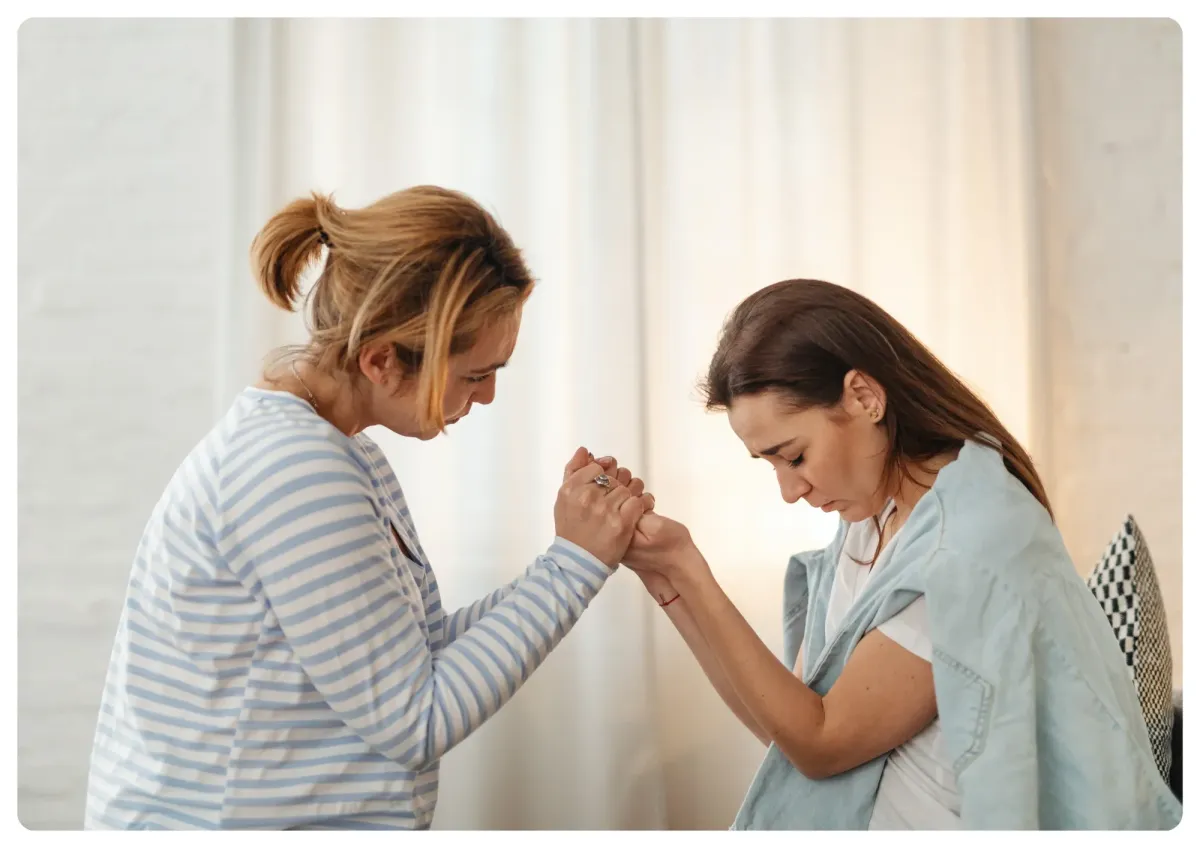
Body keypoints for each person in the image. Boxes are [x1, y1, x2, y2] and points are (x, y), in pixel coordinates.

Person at [84, 186, 654, 830]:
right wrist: (573, 563)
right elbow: (416, 719)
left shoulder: (335, 452)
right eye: (474, 374)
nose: (490, 395)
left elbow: (420, 651)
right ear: (381, 360)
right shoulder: (294, 470)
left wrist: (577, 548)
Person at [621, 278, 1182, 829]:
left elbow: (821, 741)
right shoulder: (871, 520)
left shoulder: (969, 543)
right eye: (770, 464)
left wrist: (692, 574)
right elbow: (786, 734)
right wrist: (670, 583)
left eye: (793, 456)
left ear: (864, 397)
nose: (790, 491)